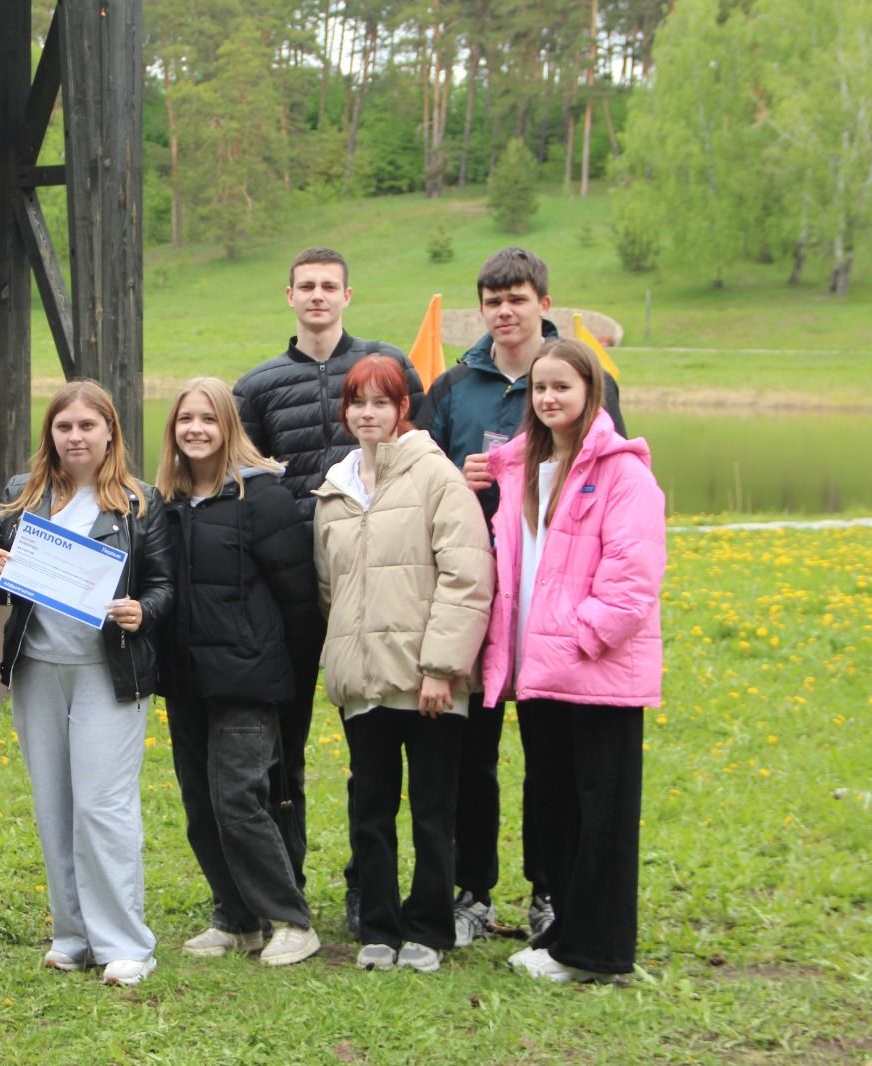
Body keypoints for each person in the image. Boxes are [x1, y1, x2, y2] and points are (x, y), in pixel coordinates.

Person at [411, 246, 625, 947]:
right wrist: (455, 473)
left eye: (518, 299)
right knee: (471, 751)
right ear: (482, 308)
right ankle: (473, 889)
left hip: (550, 595)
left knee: (551, 754)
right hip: (476, 591)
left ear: (544, 303)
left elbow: (605, 469)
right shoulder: (452, 385)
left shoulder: (579, 374)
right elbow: (422, 473)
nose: (505, 312)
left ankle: (551, 890)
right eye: (493, 300)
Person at [232, 246, 425, 932]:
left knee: (370, 741)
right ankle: (282, 887)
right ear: (289, 296)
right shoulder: (255, 388)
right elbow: (242, 487)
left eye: (329, 287)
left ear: (348, 294)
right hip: (286, 586)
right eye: (306, 286)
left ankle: (364, 885)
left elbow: (419, 467)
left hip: (369, 585)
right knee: (281, 743)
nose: (317, 297)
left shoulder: (385, 367)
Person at [480, 338, 664, 984]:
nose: (550, 397)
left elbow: (632, 584)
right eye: (540, 388)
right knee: (556, 808)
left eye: (563, 386)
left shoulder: (624, 475)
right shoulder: (523, 470)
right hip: (539, 674)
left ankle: (600, 954)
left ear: (592, 394)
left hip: (595, 673)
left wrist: (579, 637)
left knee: (602, 815)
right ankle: (563, 939)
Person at [0, 381, 173, 987]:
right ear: (51, 434)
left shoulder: (138, 502)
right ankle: (74, 935)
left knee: (102, 805)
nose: (75, 437)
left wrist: (142, 612)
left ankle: (125, 943)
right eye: (64, 427)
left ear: (110, 432)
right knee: (54, 805)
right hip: (39, 669)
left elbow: (165, 586)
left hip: (107, 672)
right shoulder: (24, 496)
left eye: (87, 426)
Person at [313, 356, 493, 974]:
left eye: (381, 402)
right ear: (346, 411)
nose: (369, 413)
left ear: (402, 410)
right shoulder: (335, 488)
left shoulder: (436, 477)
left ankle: (430, 928)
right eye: (358, 402)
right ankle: (381, 927)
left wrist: (441, 668)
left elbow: (468, 576)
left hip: (427, 682)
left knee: (433, 810)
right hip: (364, 680)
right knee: (370, 809)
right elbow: (329, 587)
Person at [153, 377, 323, 968]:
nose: (195, 429)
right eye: (184, 419)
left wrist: (291, 686)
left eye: (208, 418)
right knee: (200, 802)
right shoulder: (163, 505)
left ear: (230, 427)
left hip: (251, 679)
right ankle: (236, 917)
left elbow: (301, 601)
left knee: (239, 797)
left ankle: (292, 919)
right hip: (187, 678)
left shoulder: (265, 498)